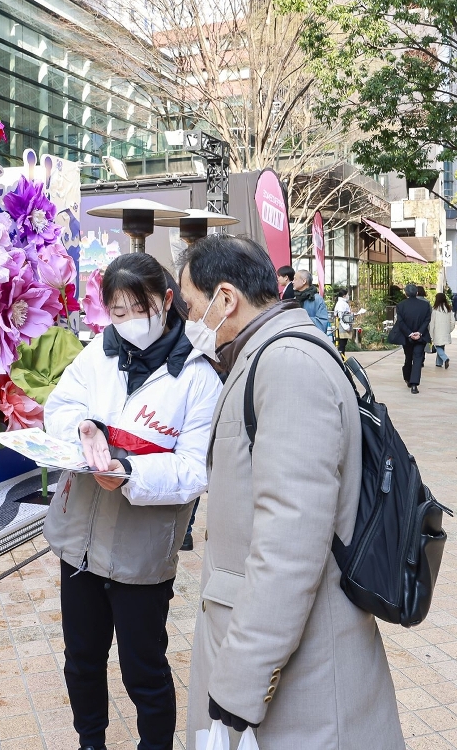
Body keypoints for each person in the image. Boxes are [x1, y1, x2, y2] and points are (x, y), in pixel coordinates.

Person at [179, 235, 404, 749]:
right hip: (289, 658)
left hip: (300, 680)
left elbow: (290, 544)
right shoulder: (271, 354)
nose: (189, 322)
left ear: (226, 298)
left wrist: (240, 685)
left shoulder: (286, 366)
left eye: (191, 307)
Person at [43, 252, 223, 750]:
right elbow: (60, 408)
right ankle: (90, 742)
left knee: (143, 667)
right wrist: (82, 428)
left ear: (167, 301)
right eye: (117, 312)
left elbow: (196, 468)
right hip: (80, 541)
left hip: (142, 550)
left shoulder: (198, 375)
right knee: (81, 658)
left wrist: (129, 473)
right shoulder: (97, 354)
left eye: (139, 310)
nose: (128, 322)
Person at [390, 283, 432, 393]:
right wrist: (419, 332)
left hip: (406, 337)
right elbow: (427, 320)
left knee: (408, 358)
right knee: (418, 359)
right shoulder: (425, 305)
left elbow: (400, 322)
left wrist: (410, 333)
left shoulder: (401, 305)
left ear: (406, 293)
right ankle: (414, 385)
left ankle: (408, 378)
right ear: (417, 292)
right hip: (421, 337)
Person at [290, 269, 333, 336]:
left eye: (295, 279)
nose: (292, 282)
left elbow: (322, 324)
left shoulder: (317, 299)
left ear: (304, 281)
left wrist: (301, 319)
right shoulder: (294, 299)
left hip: (312, 339)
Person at [431, 292, 456, 369]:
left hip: (437, 332)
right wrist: (449, 330)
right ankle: (439, 363)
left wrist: (430, 334)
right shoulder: (449, 309)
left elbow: (432, 323)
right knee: (441, 346)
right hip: (445, 332)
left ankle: (445, 358)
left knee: (437, 346)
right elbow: (453, 322)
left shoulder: (434, 310)